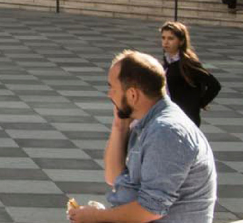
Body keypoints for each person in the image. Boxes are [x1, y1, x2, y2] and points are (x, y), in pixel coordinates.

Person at [65, 50, 217, 223]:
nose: (109, 95)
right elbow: (114, 177)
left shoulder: (167, 132)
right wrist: (120, 126)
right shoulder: (147, 123)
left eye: (112, 88)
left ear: (132, 95)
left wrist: (97, 216)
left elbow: (151, 208)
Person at [157, 22, 221, 127]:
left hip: (185, 118)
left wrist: (198, 104)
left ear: (181, 41)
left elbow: (214, 85)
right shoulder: (167, 61)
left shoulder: (187, 64)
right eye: (163, 38)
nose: (166, 42)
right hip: (170, 115)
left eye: (171, 39)